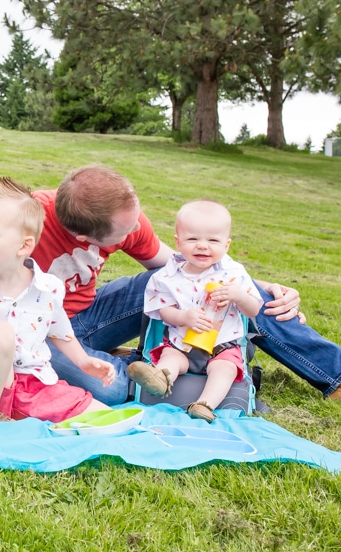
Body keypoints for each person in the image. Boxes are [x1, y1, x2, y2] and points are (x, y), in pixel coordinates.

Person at [29, 164, 341, 405]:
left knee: (225, 283)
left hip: (92, 314)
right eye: (126, 231)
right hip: (36, 331)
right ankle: (147, 369)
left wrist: (263, 285)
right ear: (83, 237)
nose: (137, 228)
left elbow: (180, 265)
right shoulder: (28, 216)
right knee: (108, 391)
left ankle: (334, 375)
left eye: (136, 218)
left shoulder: (126, 218)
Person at [0, 177, 116, 422]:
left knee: (104, 415)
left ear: (24, 245)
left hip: (34, 386)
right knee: (0, 333)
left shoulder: (47, 288)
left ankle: (6, 415)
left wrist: (83, 362)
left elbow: (61, 332)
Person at [128, 200, 263, 422]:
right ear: (178, 242)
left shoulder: (234, 274)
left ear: (226, 245)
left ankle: (204, 405)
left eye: (213, 240)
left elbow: (253, 310)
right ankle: (160, 379)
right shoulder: (168, 276)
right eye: (192, 239)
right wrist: (183, 317)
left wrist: (238, 296)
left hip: (222, 345)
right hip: (181, 344)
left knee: (226, 368)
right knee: (170, 356)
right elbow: (163, 312)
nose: (202, 246)